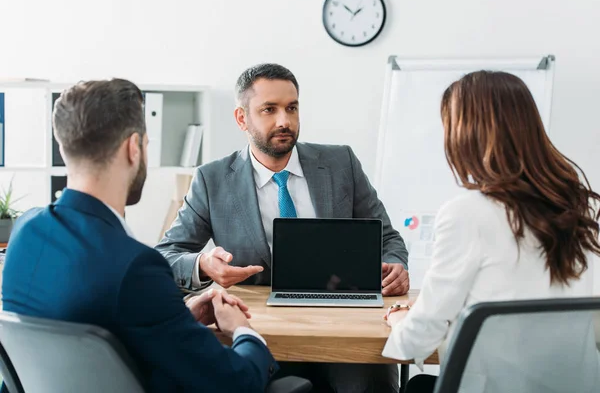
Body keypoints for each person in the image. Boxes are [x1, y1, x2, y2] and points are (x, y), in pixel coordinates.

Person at [2, 79, 278, 392]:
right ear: (133, 148)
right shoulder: (134, 266)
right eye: (147, 144)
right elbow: (235, 382)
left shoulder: (25, 231)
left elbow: (87, 330)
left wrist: (174, 316)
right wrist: (243, 331)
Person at [156, 63, 408, 392]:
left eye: (292, 108)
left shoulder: (341, 163)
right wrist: (202, 264)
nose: (284, 121)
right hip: (260, 333)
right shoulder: (212, 179)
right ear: (242, 118)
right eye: (269, 110)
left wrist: (396, 265)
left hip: (345, 329)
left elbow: (389, 238)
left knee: (367, 384)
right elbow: (166, 254)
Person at [383, 71, 600, 392]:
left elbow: (419, 337)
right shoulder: (578, 206)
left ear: (466, 134)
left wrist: (398, 318)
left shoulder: (467, 214)